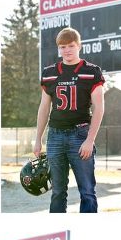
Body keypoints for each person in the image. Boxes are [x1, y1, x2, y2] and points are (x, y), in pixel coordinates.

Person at [34, 27, 105, 212]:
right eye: (63, 46)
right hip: (55, 136)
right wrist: (37, 139)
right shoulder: (49, 73)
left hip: (80, 134)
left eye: (71, 46)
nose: (67, 50)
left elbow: (99, 107)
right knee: (57, 191)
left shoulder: (92, 71)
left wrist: (90, 140)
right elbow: (44, 107)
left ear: (78, 45)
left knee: (87, 191)